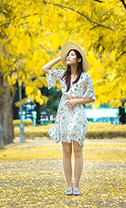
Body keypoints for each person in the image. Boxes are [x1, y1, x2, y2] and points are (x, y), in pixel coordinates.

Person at [42, 42, 96, 196]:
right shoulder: (63, 74)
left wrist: (76, 101)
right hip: (64, 113)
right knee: (66, 151)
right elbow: (45, 68)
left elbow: (91, 97)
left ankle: (77, 186)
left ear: (79, 59)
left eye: (72, 54)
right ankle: (69, 186)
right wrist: (60, 58)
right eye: (68, 54)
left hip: (77, 113)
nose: (68, 57)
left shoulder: (85, 77)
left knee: (77, 151)